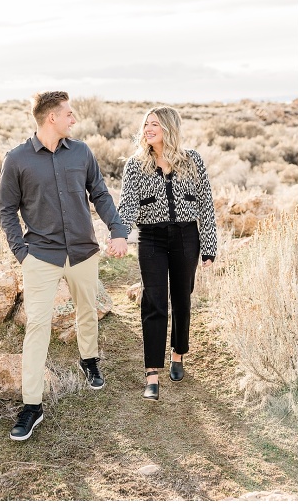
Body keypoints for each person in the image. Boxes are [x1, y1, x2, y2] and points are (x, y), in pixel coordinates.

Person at [0, 91, 129, 441]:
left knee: (87, 310)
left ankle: (89, 361)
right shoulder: (17, 159)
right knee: (37, 325)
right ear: (51, 118)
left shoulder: (82, 152)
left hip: (83, 252)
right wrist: (21, 253)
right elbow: (6, 210)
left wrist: (117, 230)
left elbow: (99, 193)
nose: (73, 120)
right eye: (68, 114)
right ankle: (32, 405)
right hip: (40, 255)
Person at [117, 106, 217, 401]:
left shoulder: (192, 160)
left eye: (155, 124)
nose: (148, 129)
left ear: (169, 128)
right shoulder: (135, 166)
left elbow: (206, 206)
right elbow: (127, 207)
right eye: (146, 124)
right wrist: (119, 235)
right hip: (151, 239)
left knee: (182, 298)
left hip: (187, 237)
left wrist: (209, 246)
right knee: (154, 301)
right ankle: (151, 374)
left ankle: (178, 353)